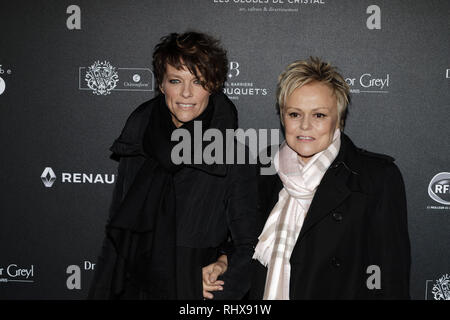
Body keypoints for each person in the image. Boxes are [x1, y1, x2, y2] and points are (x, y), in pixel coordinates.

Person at [203, 57, 411, 299]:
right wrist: (223, 261)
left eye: (319, 115)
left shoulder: (375, 178)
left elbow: (390, 278)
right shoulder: (266, 169)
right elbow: (246, 237)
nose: (305, 126)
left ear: (339, 119)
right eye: (294, 114)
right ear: (282, 117)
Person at [88, 31, 261, 300]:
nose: (186, 93)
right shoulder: (137, 144)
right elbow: (116, 238)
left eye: (198, 81)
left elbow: (250, 247)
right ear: (161, 84)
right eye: (176, 80)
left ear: (213, 85)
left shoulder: (235, 158)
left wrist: (218, 278)